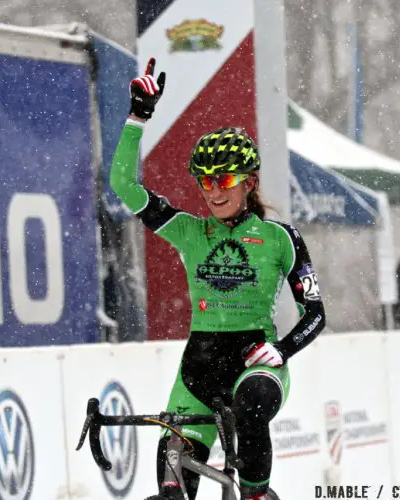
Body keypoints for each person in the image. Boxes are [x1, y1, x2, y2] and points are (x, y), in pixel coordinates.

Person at [110, 58, 326, 500]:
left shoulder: (279, 237)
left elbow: (315, 313)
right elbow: (123, 185)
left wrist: (281, 349)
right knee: (171, 487)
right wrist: (137, 119)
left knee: (249, 413)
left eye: (225, 178)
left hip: (255, 364)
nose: (214, 190)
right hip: (199, 368)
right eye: (206, 180)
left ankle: (256, 493)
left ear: (249, 181)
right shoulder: (190, 231)